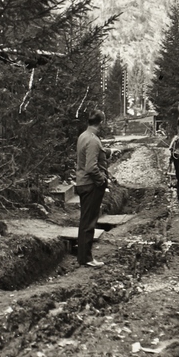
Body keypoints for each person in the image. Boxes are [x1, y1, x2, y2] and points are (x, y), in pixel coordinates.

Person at [74, 110, 108, 267]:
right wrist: (101, 180)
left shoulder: (83, 136)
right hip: (90, 185)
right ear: (100, 123)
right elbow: (91, 167)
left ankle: (82, 257)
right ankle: (87, 258)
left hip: (82, 183)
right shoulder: (93, 140)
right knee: (89, 222)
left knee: (85, 220)